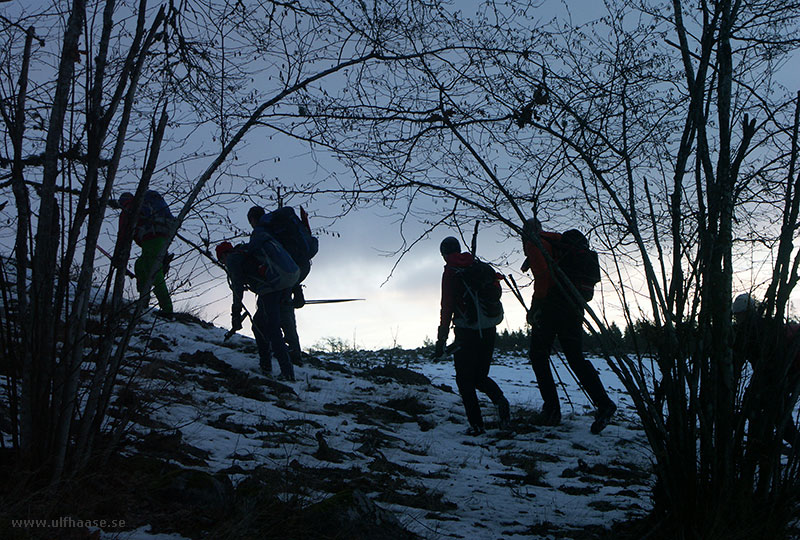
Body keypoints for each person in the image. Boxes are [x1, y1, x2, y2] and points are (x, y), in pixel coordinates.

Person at [521, 217, 616, 433]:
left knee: (538, 355)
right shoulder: (557, 242)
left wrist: (534, 309)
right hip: (573, 305)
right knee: (575, 358)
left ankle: (552, 411)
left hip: (552, 306)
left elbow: (544, 280)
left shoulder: (535, 244)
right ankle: (604, 403)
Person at [434, 236, 511, 436]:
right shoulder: (476, 264)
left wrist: (441, 339)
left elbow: (447, 306)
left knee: (464, 380)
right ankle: (501, 402)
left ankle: (477, 425)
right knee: (480, 376)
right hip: (488, 327)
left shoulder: (451, 272)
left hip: (466, 331)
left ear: (444, 254)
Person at [216, 241, 296, 380]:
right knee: (261, 325)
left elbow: (237, 289)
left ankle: (285, 372)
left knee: (271, 329)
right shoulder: (246, 252)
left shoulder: (233, 259)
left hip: (269, 290)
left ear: (224, 255)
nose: (224, 263)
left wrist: (235, 313)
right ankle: (268, 366)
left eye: (221, 260)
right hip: (282, 285)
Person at [732, 293, 799, 449]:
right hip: (782, 379)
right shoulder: (766, 325)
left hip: (774, 381)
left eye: (739, 315)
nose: (737, 318)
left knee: (780, 421)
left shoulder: (750, 332)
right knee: (778, 419)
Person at [247, 205, 310, 365]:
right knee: (285, 312)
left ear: (253, 219)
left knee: (269, 319)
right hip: (296, 272)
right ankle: (294, 355)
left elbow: (276, 259)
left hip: (278, 282)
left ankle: (284, 360)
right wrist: (298, 291)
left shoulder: (263, 232)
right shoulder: (280, 229)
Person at [117, 191, 173, 317]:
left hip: (151, 237)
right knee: (140, 265)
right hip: (160, 236)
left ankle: (167, 309)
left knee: (154, 271)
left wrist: (118, 254)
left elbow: (123, 233)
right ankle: (144, 300)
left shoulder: (130, 208)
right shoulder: (146, 205)